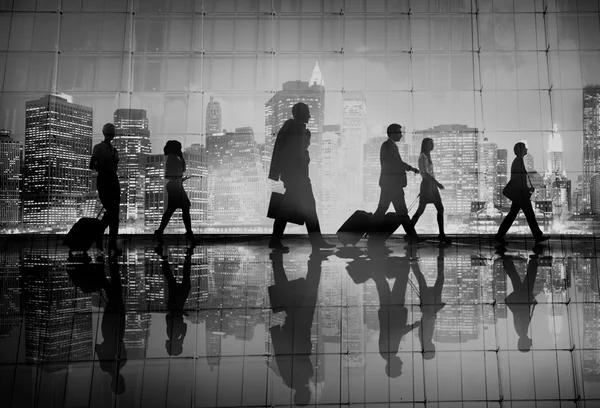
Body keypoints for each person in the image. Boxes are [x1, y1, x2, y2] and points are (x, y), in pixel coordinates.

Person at [268, 102, 334, 251]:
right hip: (297, 177)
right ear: (301, 114)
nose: (310, 115)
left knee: (286, 210)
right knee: (309, 207)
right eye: (308, 112)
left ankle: (275, 240)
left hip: (295, 176)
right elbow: (295, 153)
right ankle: (316, 241)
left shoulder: (294, 128)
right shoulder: (294, 128)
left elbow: (288, 150)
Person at [267, 249, 328, 406]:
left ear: (303, 396)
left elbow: (283, 355)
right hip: (294, 326)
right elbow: (281, 354)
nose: (310, 392)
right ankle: (278, 260)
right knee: (285, 289)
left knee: (310, 290)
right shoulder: (291, 379)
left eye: (307, 396)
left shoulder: (295, 379)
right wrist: (276, 332)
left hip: (300, 325)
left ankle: (315, 262)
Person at [374, 123, 423, 243]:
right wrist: (411, 168)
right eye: (399, 132)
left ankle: (412, 237)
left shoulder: (392, 146)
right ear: (392, 133)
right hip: (390, 185)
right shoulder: (387, 146)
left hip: (393, 185)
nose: (401, 135)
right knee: (386, 211)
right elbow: (396, 163)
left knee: (399, 212)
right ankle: (372, 236)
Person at [495, 142, 549, 244]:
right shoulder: (518, 161)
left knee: (514, 215)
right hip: (521, 195)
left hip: (520, 194)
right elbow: (519, 180)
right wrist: (527, 191)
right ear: (520, 150)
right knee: (529, 215)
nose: (526, 150)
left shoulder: (518, 161)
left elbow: (518, 179)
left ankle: (499, 235)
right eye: (525, 148)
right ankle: (538, 236)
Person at [154, 140, 197, 246]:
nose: (181, 149)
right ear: (175, 148)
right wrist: (178, 179)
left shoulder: (174, 158)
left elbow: (182, 170)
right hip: (175, 187)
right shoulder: (172, 159)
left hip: (176, 186)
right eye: (180, 148)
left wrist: (180, 178)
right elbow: (169, 175)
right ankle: (188, 232)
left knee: (173, 210)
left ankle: (160, 231)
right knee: (182, 208)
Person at [501, 246, 542, 352]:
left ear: (524, 343)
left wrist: (529, 302)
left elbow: (521, 314)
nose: (531, 344)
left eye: (528, 346)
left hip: (523, 297)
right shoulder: (521, 332)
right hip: (522, 298)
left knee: (529, 278)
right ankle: (506, 260)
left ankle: (534, 259)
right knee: (517, 278)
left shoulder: (522, 331)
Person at [95, 258, 127, 394]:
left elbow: (122, 345)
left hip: (118, 327)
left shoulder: (123, 361)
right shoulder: (105, 366)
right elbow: (98, 347)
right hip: (108, 330)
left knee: (115, 292)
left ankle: (109, 264)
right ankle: (102, 265)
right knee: (111, 292)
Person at [410, 138, 451, 244]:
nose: (432, 145)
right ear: (425, 145)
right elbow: (425, 174)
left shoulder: (427, 156)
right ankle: (409, 232)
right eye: (430, 144)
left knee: (438, 209)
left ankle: (441, 234)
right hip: (429, 185)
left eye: (432, 143)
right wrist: (437, 183)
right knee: (421, 211)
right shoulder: (422, 156)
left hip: (430, 186)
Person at [89, 123, 122, 256]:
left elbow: (93, 165)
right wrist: (104, 167)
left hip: (112, 183)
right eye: (110, 133)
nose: (111, 135)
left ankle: (102, 237)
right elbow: (92, 165)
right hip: (106, 182)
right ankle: (106, 240)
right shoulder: (101, 148)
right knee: (113, 214)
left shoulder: (113, 150)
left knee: (114, 215)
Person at [413, 245, 446, 360]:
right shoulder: (423, 339)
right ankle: (412, 261)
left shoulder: (425, 338)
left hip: (430, 306)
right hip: (428, 306)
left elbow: (427, 319)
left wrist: (438, 308)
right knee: (422, 280)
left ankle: (440, 256)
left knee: (439, 279)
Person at [162, 248, 193, 356]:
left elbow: (184, 325)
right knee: (170, 279)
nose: (165, 346)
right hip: (175, 301)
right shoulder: (171, 334)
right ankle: (163, 259)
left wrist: (183, 338)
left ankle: (187, 258)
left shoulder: (176, 335)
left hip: (180, 300)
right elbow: (168, 317)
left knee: (183, 278)